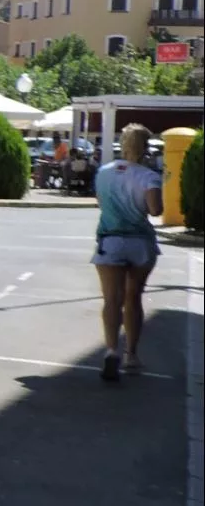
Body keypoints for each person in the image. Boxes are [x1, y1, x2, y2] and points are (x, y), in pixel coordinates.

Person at [91, 123, 163, 381]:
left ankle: (111, 350)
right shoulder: (148, 176)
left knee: (112, 300)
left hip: (110, 240)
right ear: (145, 148)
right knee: (133, 297)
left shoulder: (104, 173)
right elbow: (155, 210)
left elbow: (101, 203)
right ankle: (131, 354)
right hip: (140, 243)